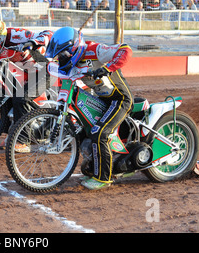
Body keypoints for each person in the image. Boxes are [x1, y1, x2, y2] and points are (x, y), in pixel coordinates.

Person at [45, 27, 133, 190]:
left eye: (62, 55)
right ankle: (97, 165)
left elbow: (125, 49)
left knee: (99, 132)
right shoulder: (72, 63)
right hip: (104, 100)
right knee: (83, 128)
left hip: (120, 99)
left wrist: (108, 68)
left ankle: (103, 178)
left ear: (73, 49)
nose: (60, 59)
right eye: (58, 56)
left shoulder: (95, 50)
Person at [0, 16, 53, 151]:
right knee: (6, 94)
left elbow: (48, 34)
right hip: (30, 73)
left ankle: (24, 141)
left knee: (21, 98)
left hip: (47, 70)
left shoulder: (15, 35)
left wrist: (33, 42)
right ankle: (13, 134)